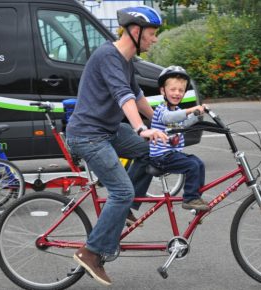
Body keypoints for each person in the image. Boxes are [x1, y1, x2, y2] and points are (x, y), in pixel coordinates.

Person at [66, 6, 168, 286]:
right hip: (88, 135)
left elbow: (136, 94)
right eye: (152, 33)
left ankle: (127, 207)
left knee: (151, 152)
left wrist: (161, 121)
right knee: (120, 192)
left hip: (108, 130)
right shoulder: (108, 56)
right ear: (135, 32)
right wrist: (141, 128)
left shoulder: (126, 59)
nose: (154, 39)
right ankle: (91, 252)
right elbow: (123, 97)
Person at [150, 66, 209, 211]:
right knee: (192, 165)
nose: (177, 93)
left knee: (199, 163)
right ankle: (189, 198)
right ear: (163, 91)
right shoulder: (161, 109)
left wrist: (198, 115)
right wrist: (190, 110)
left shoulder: (176, 110)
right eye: (173, 89)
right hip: (161, 156)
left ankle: (196, 199)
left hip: (171, 154)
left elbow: (184, 123)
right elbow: (168, 118)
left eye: (181, 90)